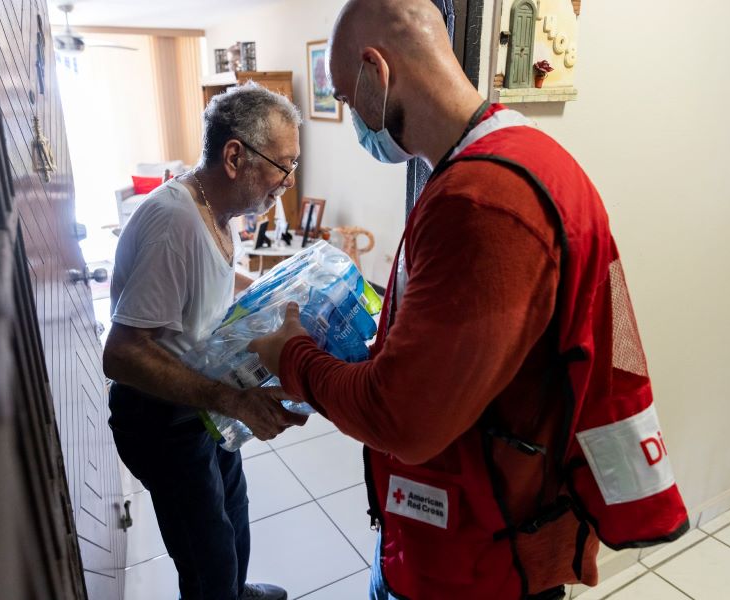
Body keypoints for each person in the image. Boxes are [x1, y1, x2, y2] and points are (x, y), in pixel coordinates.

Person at [248, 1, 688, 599]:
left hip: (477, 562)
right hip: (474, 526)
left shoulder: (482, 201)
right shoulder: (517, 157)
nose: (355, 124)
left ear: (377, 71)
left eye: (351, 103)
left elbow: (401, 421)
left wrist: (293, 356)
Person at [103, 82, 306, 600]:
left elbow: (214, 276)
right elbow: (122, 354)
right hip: (159, 417)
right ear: (235, 156)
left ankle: (235, 591)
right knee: (205, 557)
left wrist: (270, 287)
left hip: (199, 403)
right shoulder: (174, 221)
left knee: (232, 515)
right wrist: (233, 399)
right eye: (282, 166)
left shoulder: (218, 211)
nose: (287, 181)